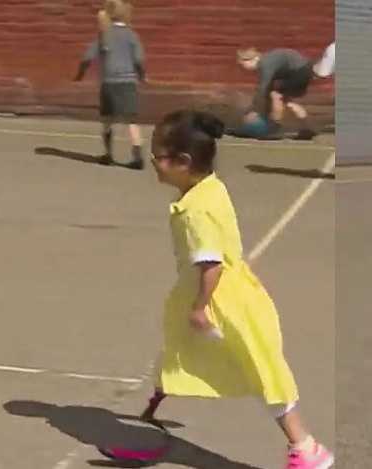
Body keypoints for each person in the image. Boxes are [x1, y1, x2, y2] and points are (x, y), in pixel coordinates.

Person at [144, 109, 334, 468]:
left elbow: (210, 264)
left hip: (221, 301)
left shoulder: (196, 210)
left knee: (258, 368)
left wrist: (200, 307)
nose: (152, 161)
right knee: (184, 351)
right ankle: (150, 410)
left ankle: (305, 447)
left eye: (158, 154)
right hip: (228, 293)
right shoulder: (210, 188)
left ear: (183, 162)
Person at [75, 0, 147, 170]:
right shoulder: (131, 35)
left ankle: (108, 155)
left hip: (109, 83)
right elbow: (138, 60)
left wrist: (80, 74)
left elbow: (87, 57)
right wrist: (142, 76)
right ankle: (137, 157)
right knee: (132, 121)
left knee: (107, 120)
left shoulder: (104, 34)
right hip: (127, 82)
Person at [237, 47, 318, 140]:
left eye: (244, 63)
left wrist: (255, 110)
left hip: (299, 71)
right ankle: (308, 127)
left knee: (276, 96)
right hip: (302, 70)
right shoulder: (266, 61)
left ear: (253, 59)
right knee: (286, 101)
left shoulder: (265, 63)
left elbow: (263, 87)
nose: (244, 67)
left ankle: (275, 129)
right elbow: (267, 87)